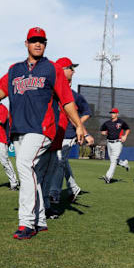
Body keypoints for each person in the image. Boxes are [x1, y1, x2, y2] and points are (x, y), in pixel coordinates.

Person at [0, 27, 86, 240]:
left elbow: (66, 100)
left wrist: (78, 124)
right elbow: (0, 92)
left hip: (42, 128)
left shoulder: (52, 69)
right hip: (19, 128)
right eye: (34, 40)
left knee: (23, 164)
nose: (38, 44)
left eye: (42, 41)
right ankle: (40, 219)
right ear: (26, 43)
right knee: (34, 175)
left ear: (45, 44)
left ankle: (27, 222)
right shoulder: (14, 70)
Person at [47, 57, 91, 203]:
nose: (73, 70)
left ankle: (54, 193)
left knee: (59, 161)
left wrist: (81, 128)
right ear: (61, 69)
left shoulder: (74, 95)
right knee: (60, 162)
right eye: (70, 67)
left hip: (68, 133)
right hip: (53, 132)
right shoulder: (51, 90)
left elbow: (85, 112)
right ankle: (73, 188)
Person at [99, 109, 130, 183]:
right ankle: (124, 163)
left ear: (117, 114)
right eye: (111, 113)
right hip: (109, 143)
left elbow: (127, 129)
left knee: (113, 161)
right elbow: (102, 131)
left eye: (113, 113)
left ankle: (108, 177)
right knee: (113, 160)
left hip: (117, 143)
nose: (112, 114)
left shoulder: (121, 122)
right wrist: (104, 133)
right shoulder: (107, 123)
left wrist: (125, 136)